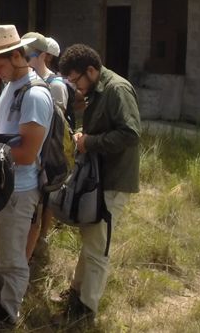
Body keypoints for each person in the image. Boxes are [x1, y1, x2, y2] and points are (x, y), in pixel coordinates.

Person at [0, 25, 53, 326]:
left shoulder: (34, 95)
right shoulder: (11, 87)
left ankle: (6, 315)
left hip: (18, 191)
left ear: (18, 55)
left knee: (12, 259)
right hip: (3, 187)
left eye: (0, 65)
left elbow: (27, 153)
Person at [57, 43, 140, 324]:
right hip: (96, 179)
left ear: (90, 71)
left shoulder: (117, 90)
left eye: (76, 80)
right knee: (90, 239)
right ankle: (77, 293)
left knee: (97, 247)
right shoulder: (96, 90)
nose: (76, 88)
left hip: (113, 181)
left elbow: (129, 134)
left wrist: (89, 142)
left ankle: (85, 311)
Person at [22, 32, 70, 261]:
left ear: (42, 56)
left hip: (48, 151)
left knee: (45, 199)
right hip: (31, 152)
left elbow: (57, 124)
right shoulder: (24, 80)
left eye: (28, 54)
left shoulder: (56, 85)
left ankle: (40, 239)